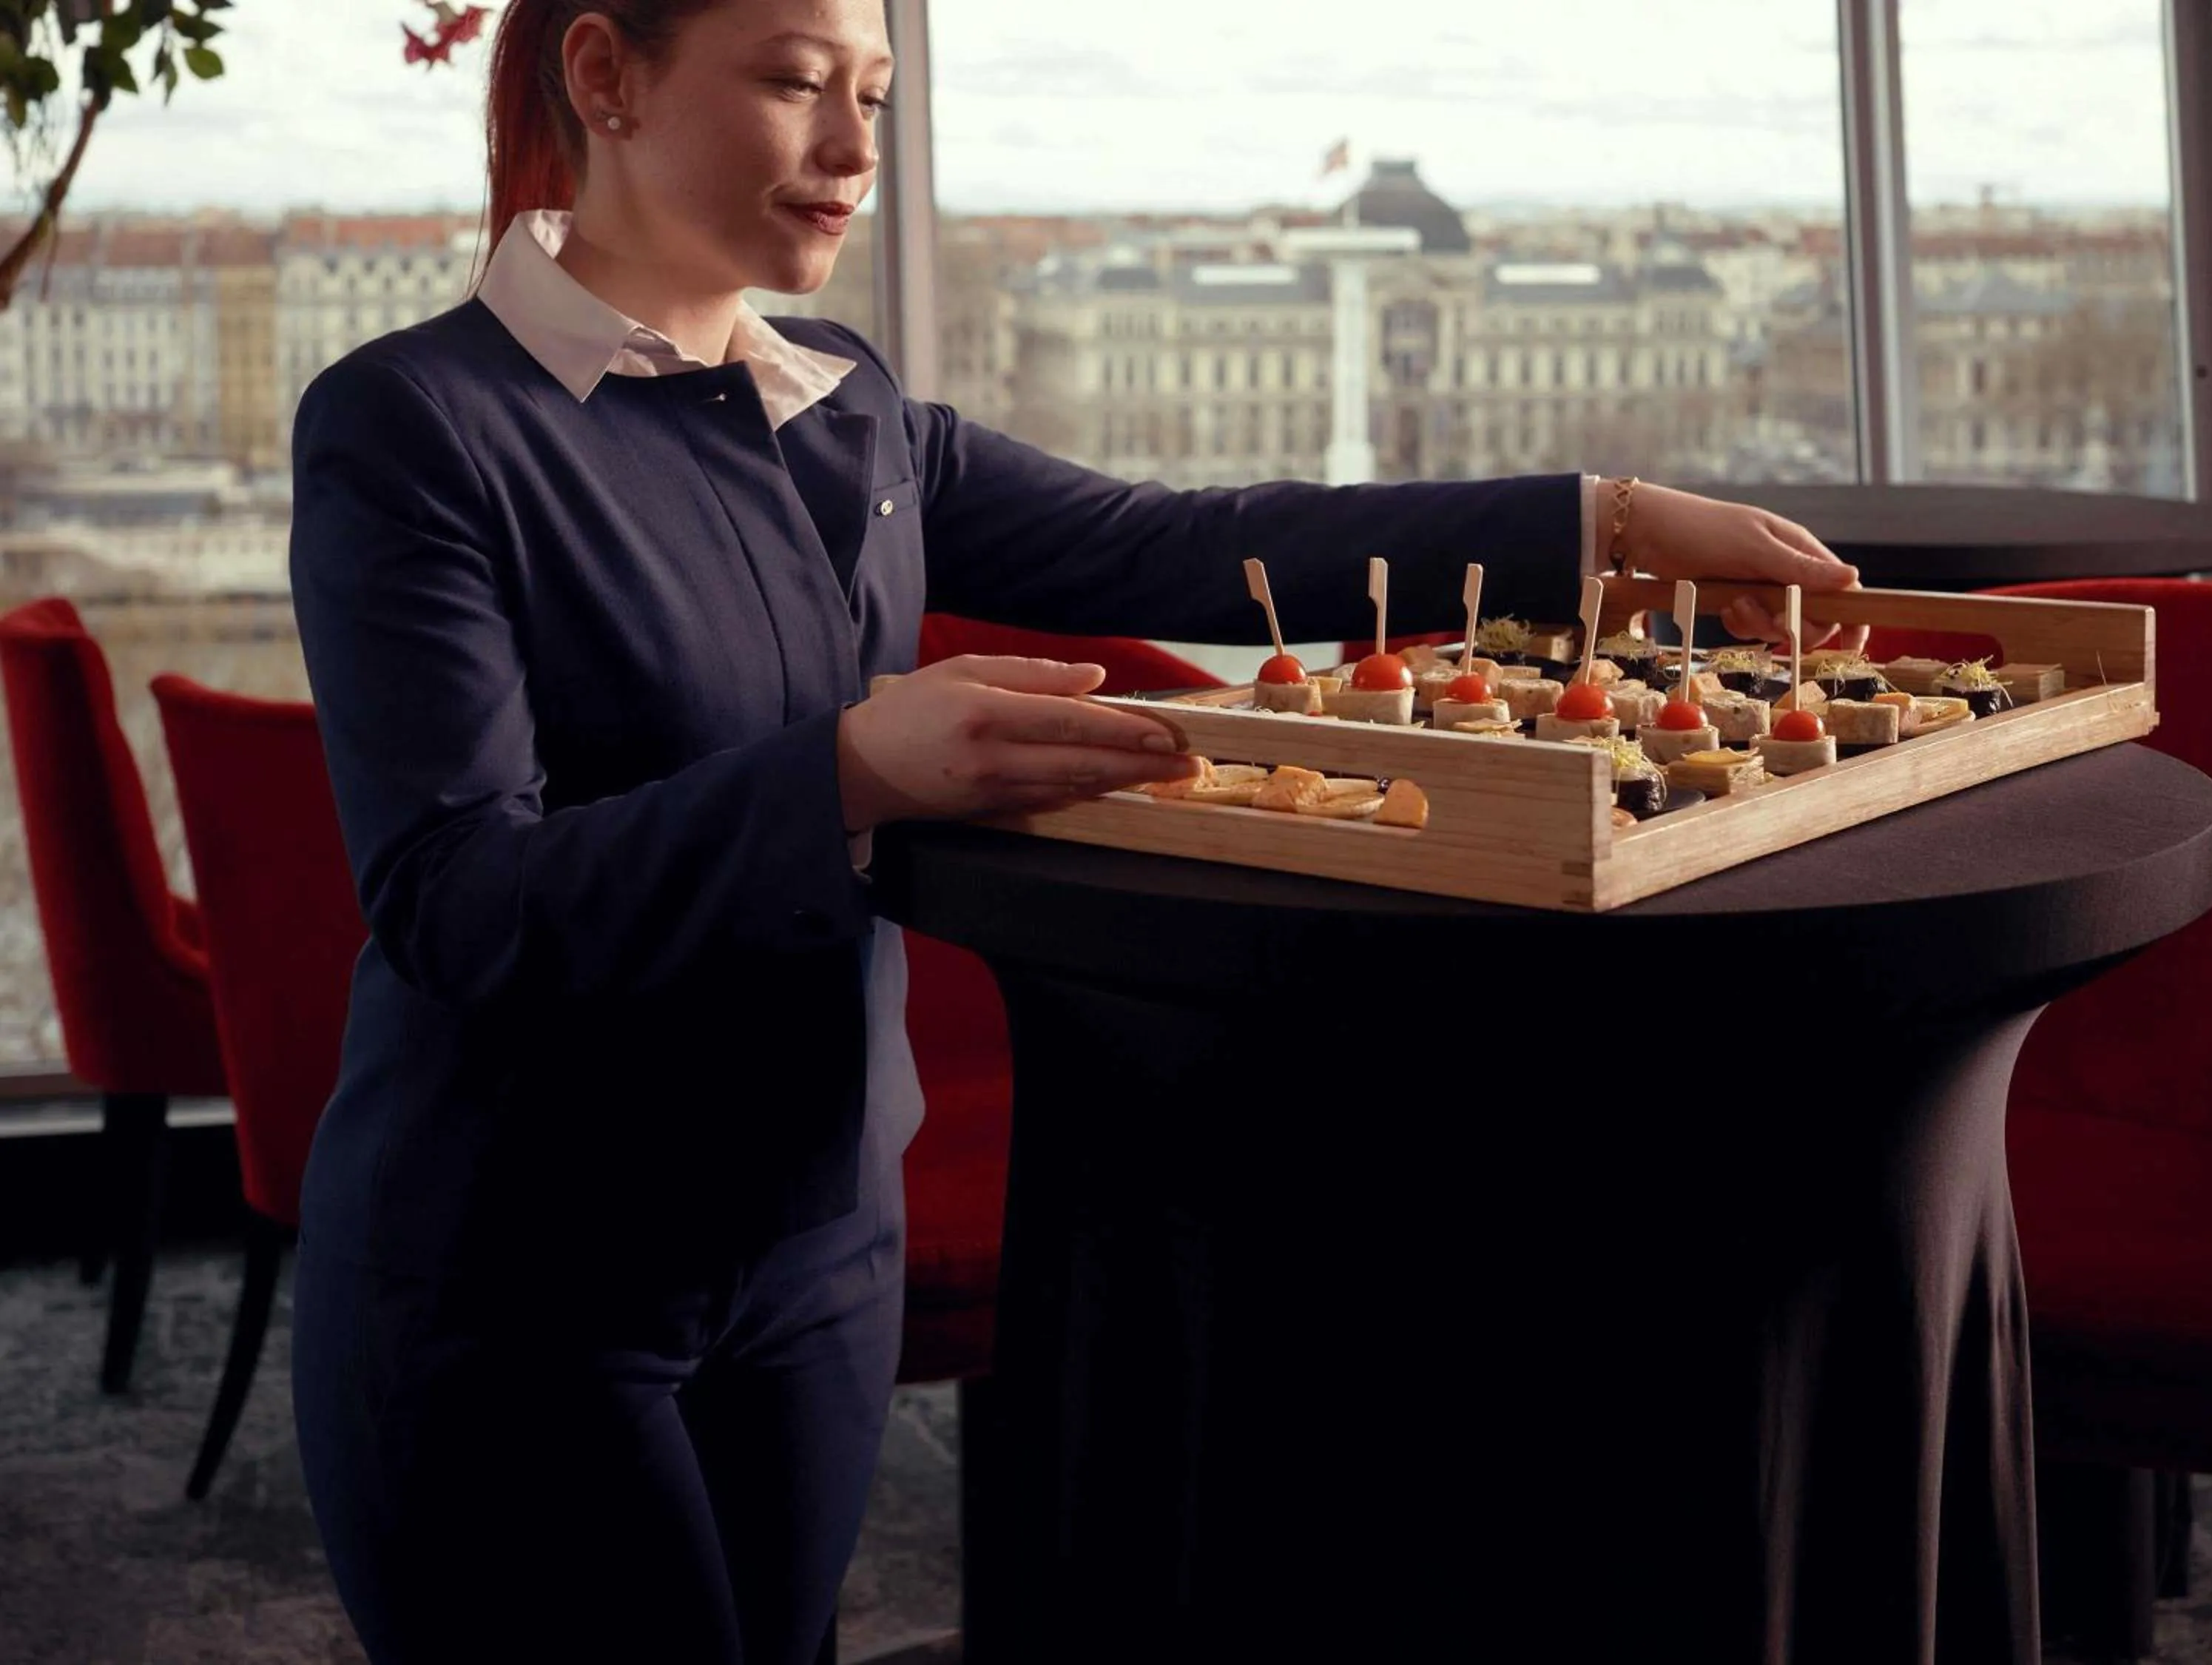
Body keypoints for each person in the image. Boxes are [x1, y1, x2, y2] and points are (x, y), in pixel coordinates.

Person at [285, 1, 1866, 1661]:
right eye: (794, 83)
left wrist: (1604, 522)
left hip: (820, 1245)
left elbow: (1175, 544)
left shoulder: (845, 401)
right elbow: (457, 900)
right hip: (520, 1272)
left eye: (874, 95)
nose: (854, 150)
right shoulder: (414, 425)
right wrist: (849, 771)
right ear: (605, 76)